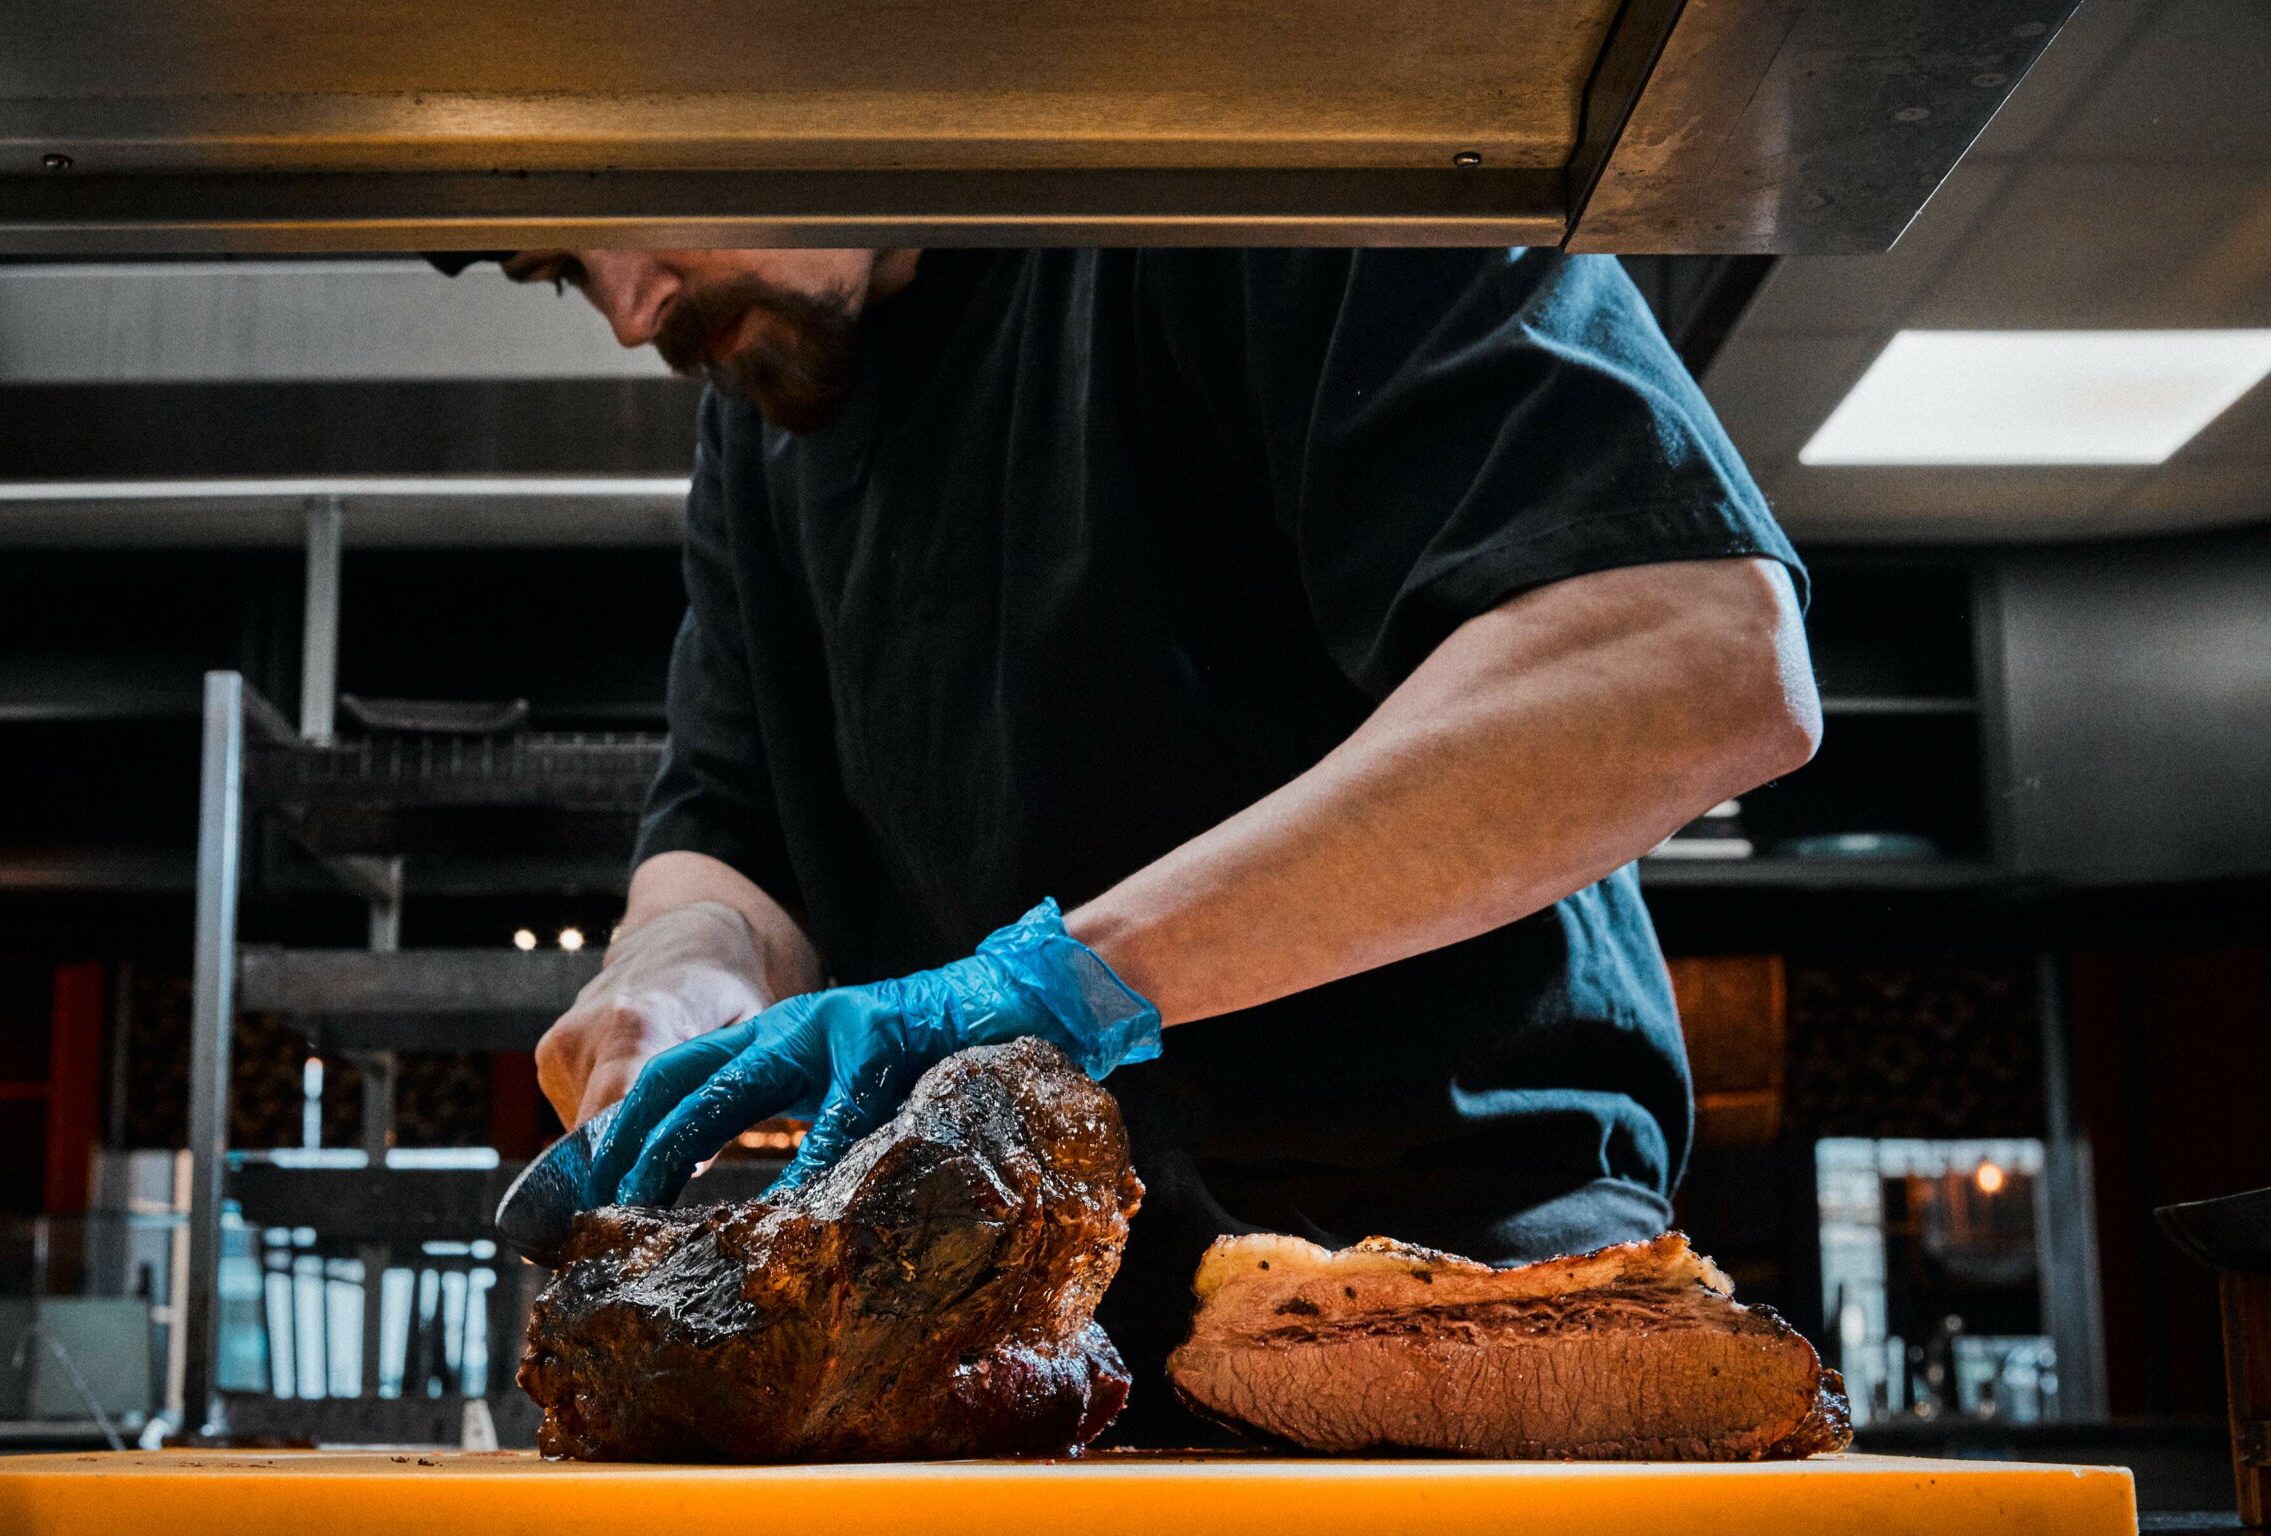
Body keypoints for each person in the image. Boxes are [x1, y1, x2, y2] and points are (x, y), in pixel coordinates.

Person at [461, 244, 1819, 1442]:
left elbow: (1691, 653)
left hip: (1450, 1317)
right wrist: (676, 979)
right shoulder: (758, 433)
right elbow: (730, 826)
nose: (630, 311)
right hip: (1015, 1369)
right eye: (562, 270)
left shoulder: (1254, 168)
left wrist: (1060, 988)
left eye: (620, 207)